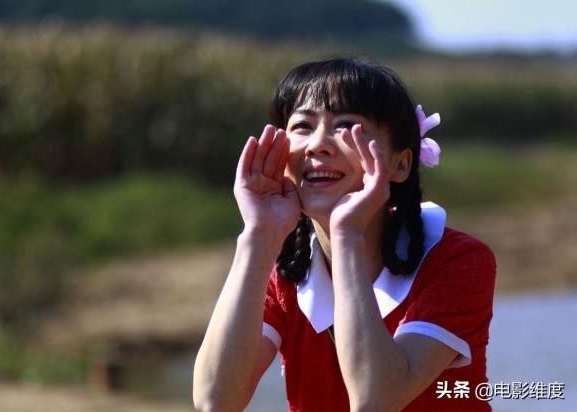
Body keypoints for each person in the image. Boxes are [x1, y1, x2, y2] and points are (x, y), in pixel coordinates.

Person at [193, 58, 496, 411]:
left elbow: (375, 399)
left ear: (400, 164)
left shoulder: (457, 261)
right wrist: (258, 234)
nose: (317, 145)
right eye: (302, 126)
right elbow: (215, 399)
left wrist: (347, 234)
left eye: (348, 126)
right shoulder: (285, 276)